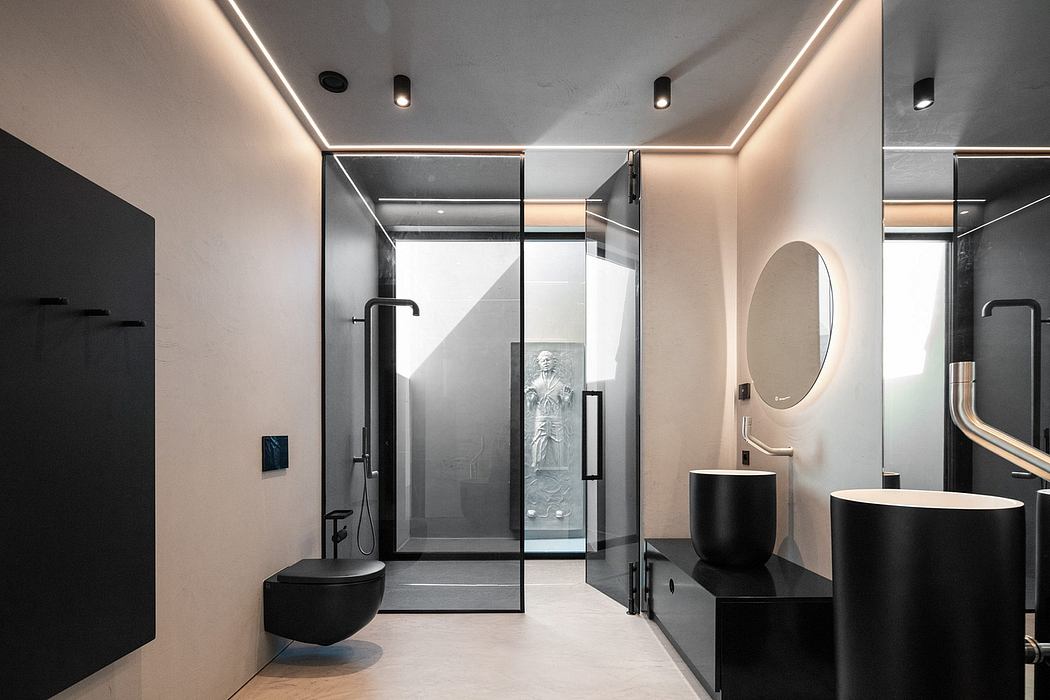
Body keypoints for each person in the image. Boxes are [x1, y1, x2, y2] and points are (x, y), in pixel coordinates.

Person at [525, 350, 573, 470]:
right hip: (540, 419)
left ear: (553, 362)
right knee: (538, 445)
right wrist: (530, 400)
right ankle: (535, 470)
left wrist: (566, 400)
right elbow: (529, 409)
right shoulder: (534, 384)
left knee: (560, 446)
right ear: (539, 363)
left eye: (548, 360)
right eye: (543, 360)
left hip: (556, 419)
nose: (546, 362)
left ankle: (561, 472)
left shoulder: (560, 385)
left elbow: (566, 409)